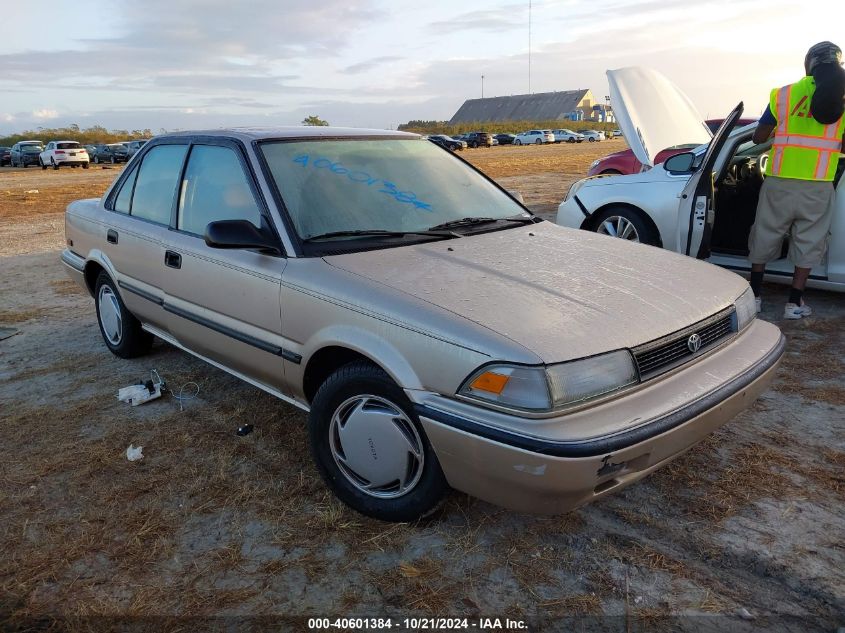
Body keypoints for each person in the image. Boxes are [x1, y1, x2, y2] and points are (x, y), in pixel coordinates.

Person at [748, 41, 845, 319]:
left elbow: (758, 137)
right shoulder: (842, 100)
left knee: (765, 234)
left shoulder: (784, 95)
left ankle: (754, 297)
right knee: (810, 241)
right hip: (818, 184)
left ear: (808, 63)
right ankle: (794, 303)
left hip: (779, 181)